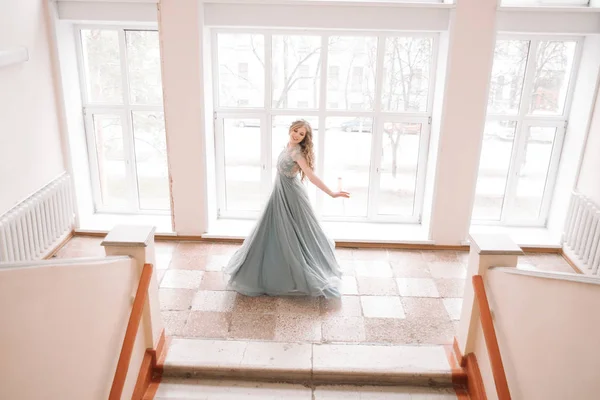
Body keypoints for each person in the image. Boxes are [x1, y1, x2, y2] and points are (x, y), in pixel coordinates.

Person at [224, 120, 350, 298]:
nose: (297, 135)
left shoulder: (297, 152)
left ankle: (302, 269)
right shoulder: (287, 146)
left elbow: (311, 176)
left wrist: (331, 193)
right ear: (291, 129)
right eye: (296, 131)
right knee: (273, 230)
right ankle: (269, 267)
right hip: (279, 193)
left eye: (301, 134)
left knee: (299, 233)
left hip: (292, 195)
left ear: (305, 138)